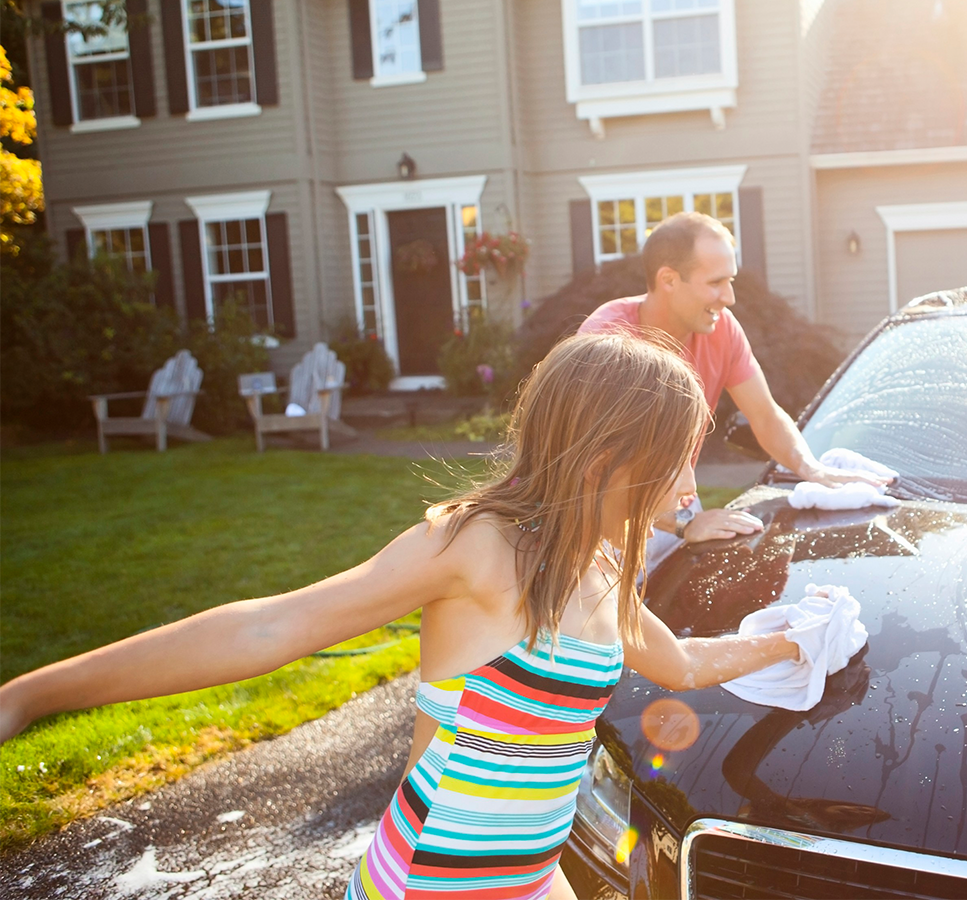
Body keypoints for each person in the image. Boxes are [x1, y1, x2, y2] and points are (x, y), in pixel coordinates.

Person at [0, 333, 804, 900]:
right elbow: (267, 628)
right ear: (610, 457)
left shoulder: (600, 570)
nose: (689, 485)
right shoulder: (477, 547)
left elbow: (686, 666)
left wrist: (795, 642)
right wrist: (29, 697)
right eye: (678, 460)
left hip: (524, 884)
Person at [578, 211, 885, 551]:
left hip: (675, 505)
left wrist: (812, 469)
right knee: (614, 605)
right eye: (715, 283)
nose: (729, 298)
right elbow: (595, 469)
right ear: (668, 279)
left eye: (731, 281)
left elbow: (765, 416)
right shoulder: (606, 340)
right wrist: (684, 524)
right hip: (605, 519)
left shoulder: (721, 328)